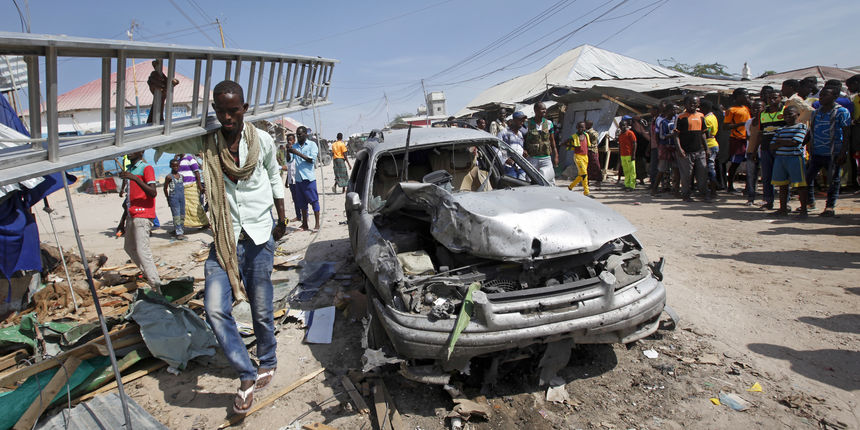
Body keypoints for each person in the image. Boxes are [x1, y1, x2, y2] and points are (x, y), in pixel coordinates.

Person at [154, 78, 286, 414]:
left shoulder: (263, 140)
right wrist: (160, 96)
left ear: (244, 108)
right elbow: (163, 136)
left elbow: (273, 175)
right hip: (225, 240)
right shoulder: (205, 142)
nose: (228, 117)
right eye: (222, 111)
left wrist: (282, 216)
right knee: (214, 308)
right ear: (214, 110)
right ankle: (246, 373)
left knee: (261, 308)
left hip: (258, 235)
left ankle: (267, 358)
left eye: (234, 110)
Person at [119, 150, 161, 292]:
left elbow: (153, 192)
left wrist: (135, 178)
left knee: (143, 250)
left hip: (143, 215)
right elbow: (128, 200)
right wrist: (122, 221)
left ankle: (156, 284)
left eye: (132, 150)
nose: (128, 153)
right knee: (129, 247)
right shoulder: (130, 169)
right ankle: (149, 274)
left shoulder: (146, 168)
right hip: (132, 214)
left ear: (141, 151)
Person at [806, 87, 851, 217]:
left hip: (833, 152)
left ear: (835, 96)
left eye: (825, 95)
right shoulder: (816, 112)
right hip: (817, 152)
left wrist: (843, 152)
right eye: (821, 95)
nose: (821, 98)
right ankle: (810, 203)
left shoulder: (842, 112)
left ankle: (830, 206)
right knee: (808, 178)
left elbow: (847, 133)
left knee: (833, 180)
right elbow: (811, 131)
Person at [769, 106, 809, 217]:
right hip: (780, 158)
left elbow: (795, 142)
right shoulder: (781, 129)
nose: (787, 117)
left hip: (794, 158)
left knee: (800, 185)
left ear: (797, 114)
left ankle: (803, 210)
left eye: (790, 114)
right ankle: (783, 208)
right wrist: (785, 142)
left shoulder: (801, 127)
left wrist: (780, 142)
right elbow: (772, 146)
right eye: (785, 115)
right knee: (782, 185)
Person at [675, 95, 710, 202]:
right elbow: (676, 135)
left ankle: (704, 194)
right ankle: (686, 195)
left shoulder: (701, 116)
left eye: (695, 103)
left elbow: (703, 134)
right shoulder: (681, 117)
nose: (693, 105)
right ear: (685, 104)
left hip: (699, 150)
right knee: (687, 174)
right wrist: (679, 149)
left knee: (702, 173)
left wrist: (706, 148)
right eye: (690, 103)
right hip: (686, 151)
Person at [756, 89, 786, 210]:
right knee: (767, 176)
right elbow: (760, 133)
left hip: (782, 149)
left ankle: (785, 203)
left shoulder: (786, 111)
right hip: (765, 148)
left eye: (774, 98)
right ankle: (768, 201)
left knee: (783, 177)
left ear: (781, 98)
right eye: (769, 98)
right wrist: (754, 150)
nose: (772, 100)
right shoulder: (763, 113)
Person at [290, 126, 321, 231]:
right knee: (302, 203)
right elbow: (289, 160)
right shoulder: (295, 146)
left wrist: (297, 153)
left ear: (305, 134)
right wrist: (288, 151)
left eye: (300, 134)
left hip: (309, 178)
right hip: (298, 179)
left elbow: (311, 160)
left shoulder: (312, 145)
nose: (298, 136)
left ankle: (317, 224)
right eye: (297, 134)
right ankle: (305, 224)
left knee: (314, 201)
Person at [724, 88, 751, 193]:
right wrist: (740, 124)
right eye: (745, 95)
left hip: (747, 139)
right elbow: (725, 126)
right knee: (735, 163)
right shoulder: (731, 110)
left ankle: (748, 187)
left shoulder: (746, 108)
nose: (747, 97)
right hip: (737, 139)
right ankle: (730, 186)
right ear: (738, 96)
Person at [524, 102, 558, 183]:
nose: (544, 111)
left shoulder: (549, 123)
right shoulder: (527, 123)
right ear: (535, 110)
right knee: (530, 179)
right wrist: (524, 150)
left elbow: (552, 140)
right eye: (542, 109)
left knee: (550, 180)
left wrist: (556, 155)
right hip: (532, 158)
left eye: (545, 109)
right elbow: (523, 139)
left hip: (546, 157)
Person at [651, 104, 678, 196]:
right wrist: (672, 135)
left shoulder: (677, 120)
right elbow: (662, 136)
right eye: (673, 110)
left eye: (675, 110)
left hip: (675, 147)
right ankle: (654, 189)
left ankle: (676, 190)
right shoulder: (663, 122)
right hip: (665, 147)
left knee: (676, 169)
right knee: (661, 169)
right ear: (668, 111)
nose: (675, 112)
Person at [177, 153, 209, 228]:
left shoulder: (190, 158)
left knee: (195, 205)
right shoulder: (178, 161)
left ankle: (206, 223)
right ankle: (183, 225)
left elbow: (197, 173)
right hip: (182, 187)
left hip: (191, 185)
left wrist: (200, 186)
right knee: (185, 207)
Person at [744, 99, 765, 205]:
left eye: (759, 107)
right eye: (754, 108)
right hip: (751, 151)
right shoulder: (749, 122)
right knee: (751, 176)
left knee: (765, 176)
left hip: (764, 152)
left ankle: (766, 199)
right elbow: (749, 137)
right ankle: (751, 198)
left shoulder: (766, 121)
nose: (756, 110)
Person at [497, 111, 527, 180]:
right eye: (520, 120)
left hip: (520, 166)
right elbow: (498, 148)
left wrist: (523, 152)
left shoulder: (520, 134)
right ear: (514, 120)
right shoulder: (504, 133)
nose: (522, 123)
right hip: (509, 168)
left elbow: (520, 147)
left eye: (523, 121)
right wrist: (506, 159)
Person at [163, 159, 187, 240]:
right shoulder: (169, 177)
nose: (175, 167)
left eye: (177, 166)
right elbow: (165, 188)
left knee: (182, 214)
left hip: (181, 197)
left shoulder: (181, 176)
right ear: (170, 166)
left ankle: (181, 229)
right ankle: (179, 232)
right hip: (173, 197)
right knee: (176, 215)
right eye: (173, 166)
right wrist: (168, 199)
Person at [700, 99, 720, 197]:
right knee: (710, 167)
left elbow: (706, 133)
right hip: (714, 143)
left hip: (709, 145)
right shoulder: (713, 117)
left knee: (709, 169)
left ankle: (712, 191)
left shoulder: (706, 119)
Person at [567, 121, 590, 196]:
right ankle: (586, 192)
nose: (581, 128)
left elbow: (588, 145)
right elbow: (567, 143)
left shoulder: (586, 135)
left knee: (581, 174)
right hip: (578, 156)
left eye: (582, 127)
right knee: (584, 174)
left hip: (585, 156)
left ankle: (571, 186)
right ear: (577, 127)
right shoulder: (574, 136)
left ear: (585, 128)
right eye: (579, 127)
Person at [283, 134, 301, 222]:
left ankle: (305, 215)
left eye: (291, 140)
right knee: (294, 198)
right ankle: (298, 215)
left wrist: (291, 149)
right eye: (288, 140)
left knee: (301, 198)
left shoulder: (296, 149)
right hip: (291, 179)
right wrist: (287, 180)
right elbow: (289, 166)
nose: (289, 141)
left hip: (298, 178)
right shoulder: (288, 151)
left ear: (294, 140)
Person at [618, 121, 637, 191]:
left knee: (632, 171)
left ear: (626, 125)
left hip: (629, 154)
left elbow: (634, 143)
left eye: (623, 125)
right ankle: (627, 184)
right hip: (623, 155)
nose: (622, 127)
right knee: (626, 171)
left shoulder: (630, 133)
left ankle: (632, 185)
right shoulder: (620, 135)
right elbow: (620, 145)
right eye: (621, 126)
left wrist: (633, 154)